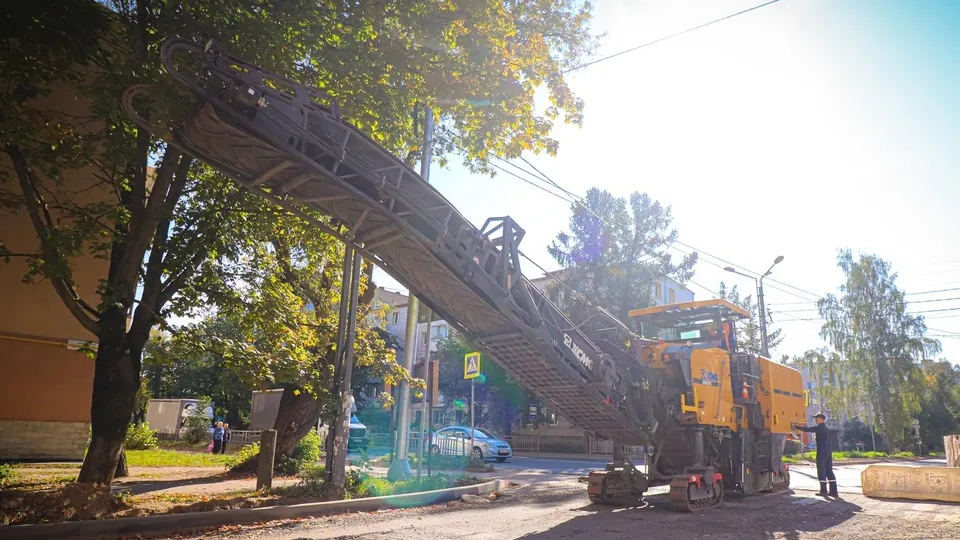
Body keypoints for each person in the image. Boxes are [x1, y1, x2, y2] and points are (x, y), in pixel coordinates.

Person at [795, 413, 838, 497]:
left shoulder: (820, 428)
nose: (815, 420)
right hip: (828, 452)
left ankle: (823, 491)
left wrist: (796, 427)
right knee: (829, 471)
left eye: (817, 418)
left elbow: (808, 429)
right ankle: (834, 491)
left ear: (821, 419)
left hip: (822, 451)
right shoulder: (827, 429)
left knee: (821, 470)